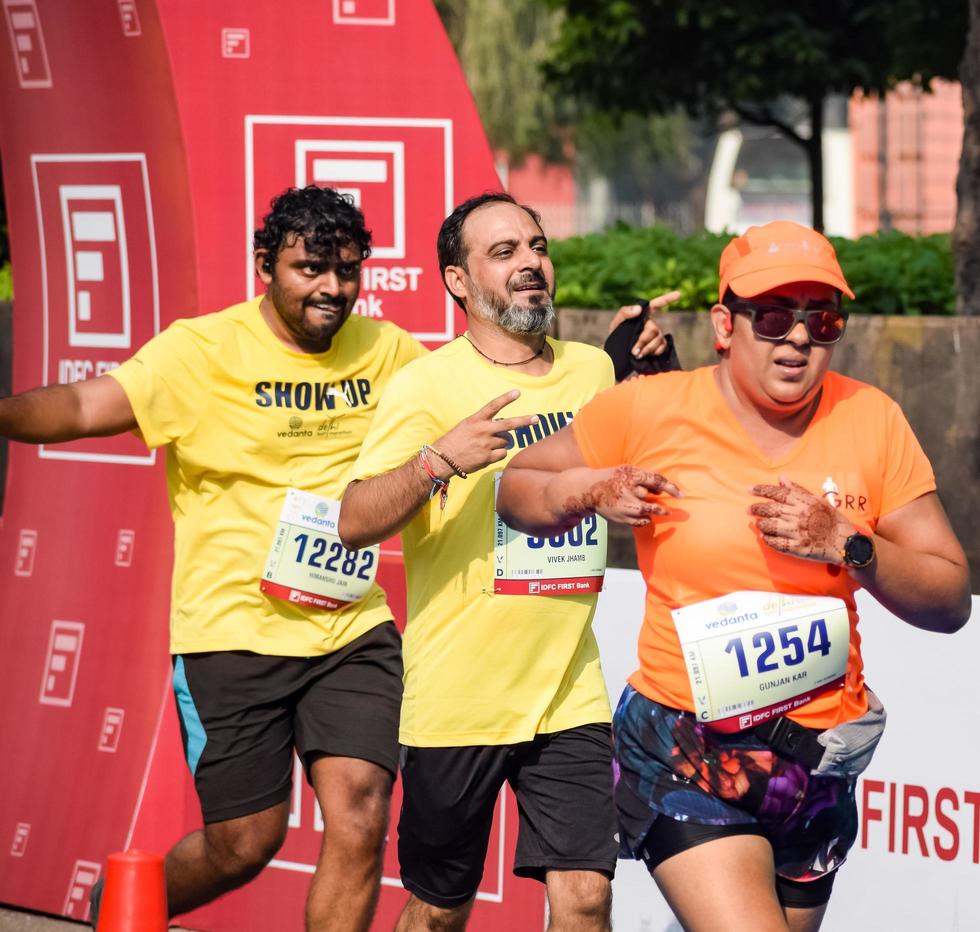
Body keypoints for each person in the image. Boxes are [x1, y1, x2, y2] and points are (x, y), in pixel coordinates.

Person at [496, 220, 971, 932]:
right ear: (725, 324)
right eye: (775, 316)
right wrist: (589, 491)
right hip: (685, 746)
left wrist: (850, 542)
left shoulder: (872, 420)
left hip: (819, 760)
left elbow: (950, 597)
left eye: (823, 318)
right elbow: (517, 484)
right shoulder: (650, 407)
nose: (799, 338)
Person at [0, 186, 430, 931]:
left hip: (349, 630)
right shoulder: (200, 351)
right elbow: (78, 407)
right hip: (232, 634)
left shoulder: (389, 351)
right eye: (311, 269)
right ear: (266, 265)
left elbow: (470, 399)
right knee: (245, 841)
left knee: (360, 813)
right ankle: (120, 909)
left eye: (349, 271)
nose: (333, 289)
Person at [337, 191, 679, 932]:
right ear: (458, 281)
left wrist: (658, 366)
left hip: (569, 691)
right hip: (459, 698)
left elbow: (662, 445)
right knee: (437, 910)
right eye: (504, 253)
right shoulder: (425, 386)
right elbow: (353, 520)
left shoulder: (592, 372)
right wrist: (437, 460)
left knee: (586, 896)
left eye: (537, 247)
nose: (531, 264)